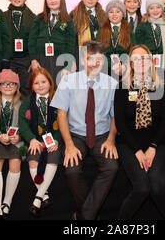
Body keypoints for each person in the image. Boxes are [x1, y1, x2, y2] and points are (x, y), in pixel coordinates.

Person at [50, 40, 119, 220]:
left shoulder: (112, 83)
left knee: (111, 167)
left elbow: (114, 116)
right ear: (82, 60)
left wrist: (111, 140)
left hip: (102, 135)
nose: (95, 63)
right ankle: (89, 214)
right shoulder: (68, 81)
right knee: (71, 170)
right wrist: (69, 145)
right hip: (76, 135)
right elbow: (61, 115)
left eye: (99, 59)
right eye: (90, 58)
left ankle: (84, 216)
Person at [114, 44, 165, 220]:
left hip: (156, 142)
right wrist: (137, 151)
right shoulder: (121, 87)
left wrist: (152, 147)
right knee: (142, 188)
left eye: (144, 58)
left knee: (157, 187)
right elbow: (120, 123)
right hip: (129, 143)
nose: (140, 62)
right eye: (135, 59)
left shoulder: (161, 86)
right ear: (131, 64)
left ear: (151, 61)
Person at [19, 68, 62, 218]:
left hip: (53, 138)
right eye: (36, 83)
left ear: (50, 83)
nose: (41, 85)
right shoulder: (27, 102)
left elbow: (63, 123)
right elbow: (22, 124)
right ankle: (44, 197)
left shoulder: (57, 99)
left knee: (53, 156)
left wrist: (56, 139)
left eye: (44, 82)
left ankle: (38, 198)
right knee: (32, 161)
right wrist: (31, 139)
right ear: (31, 86)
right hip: (35, 139)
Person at [0, 69, 23, 219]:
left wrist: (19, 136)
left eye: (12, 83)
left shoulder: (22, 103)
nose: (8, 86)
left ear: (17, 86)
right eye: (4, 84)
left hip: (15, 142)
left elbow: (26, 127)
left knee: (15, 162)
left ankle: (6, 202)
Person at [29, 0, 76, 84]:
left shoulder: (67, 20)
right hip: (41, 59)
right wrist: (33, 59)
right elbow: (32, 40)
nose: (52, 1)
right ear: (46, 1)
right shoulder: (39, 18)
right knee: (42, 87)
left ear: (61, 0)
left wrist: (68, 64)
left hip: (60, 60)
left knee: (59, 88)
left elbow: (70, 43)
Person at [3, 0, 37, 97]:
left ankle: (25, 113)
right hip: (9, 58)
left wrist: (33, 59)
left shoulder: (33, 17)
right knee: (7, 88)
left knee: (26, 88)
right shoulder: (3, 16)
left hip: (26, 59)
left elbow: (34, 41)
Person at [133, 0, 165, 81]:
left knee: (162, 89)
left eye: (158, 7)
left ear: (162, 9)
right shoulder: (142, 26)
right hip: (147, 65)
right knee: (149, 89)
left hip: (163, 65)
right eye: (151, 8)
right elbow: (138, 48)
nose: (155, 10)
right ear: (148, 10)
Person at [98, 0, 132, 77]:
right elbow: (99, 52)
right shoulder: (102, 29)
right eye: (111, 12)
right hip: (106, 68)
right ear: (107, 15)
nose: (114, 14)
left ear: (123, 14)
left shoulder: (129, 29)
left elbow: (132, 50)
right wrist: (111, 65)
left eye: (118, 11)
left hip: (124, 69)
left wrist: (124, 65)